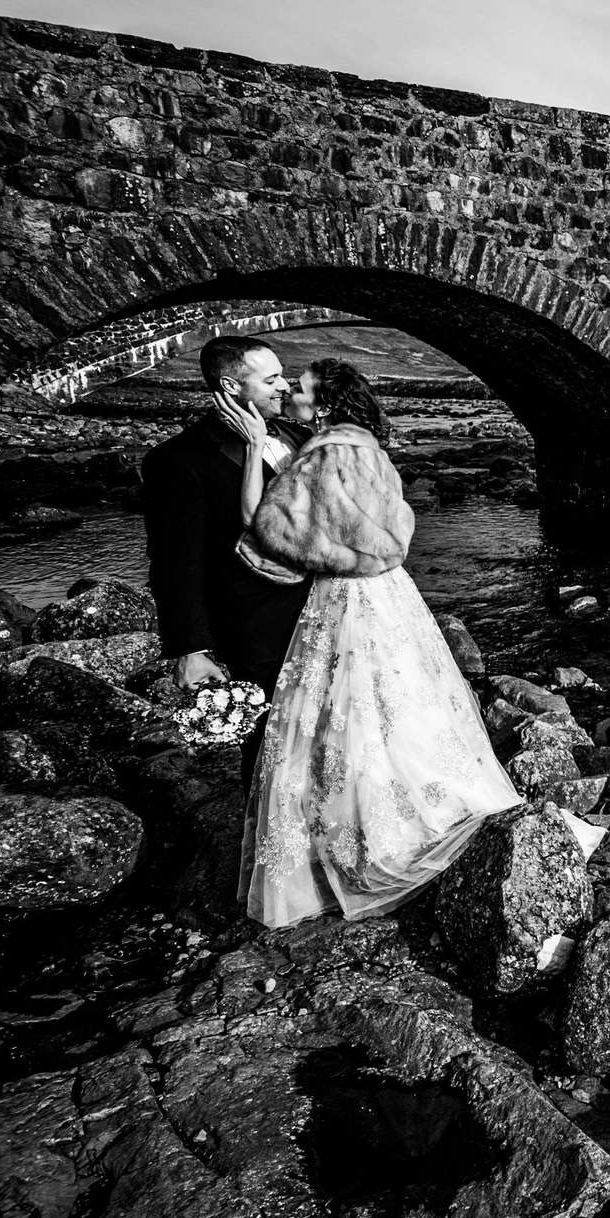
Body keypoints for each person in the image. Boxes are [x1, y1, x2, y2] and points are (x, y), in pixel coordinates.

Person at [225, 358, 522, 928]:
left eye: (302, 392)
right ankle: (418, 810)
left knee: (343, 713)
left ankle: (367, 844)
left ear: (327, 407)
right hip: (392, 593)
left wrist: (255, 449)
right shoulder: (372, 451)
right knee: (402, 704)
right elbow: (390, 528)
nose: (290, 397)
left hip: (344, 596)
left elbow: (268, 524)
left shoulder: (323, 454)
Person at [140, 335, 314, 800]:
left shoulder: (301, 435)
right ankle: (272, 844)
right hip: (256, 626)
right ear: (230, 385)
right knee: (274, 740)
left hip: (326, 611)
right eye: (272, 378)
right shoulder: (178, 460)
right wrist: (190, 648)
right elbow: (176, 561)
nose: (285, 386)